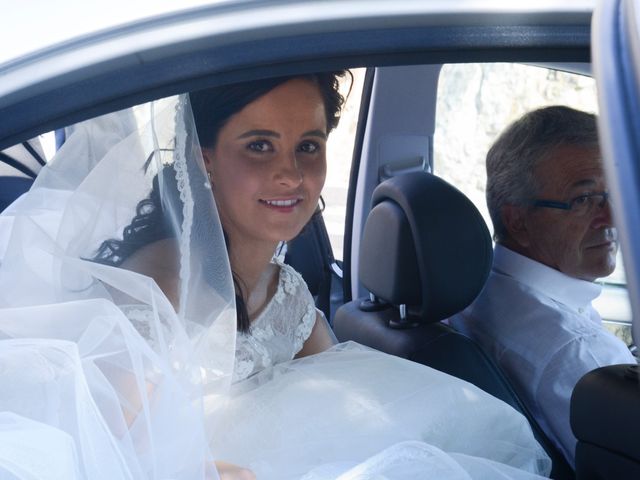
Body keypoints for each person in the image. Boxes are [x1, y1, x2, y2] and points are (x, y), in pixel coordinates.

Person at [0, 73, 551, 480]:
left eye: (307, 146)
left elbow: (355, 407)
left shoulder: (288, 297)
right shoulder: (160, 291)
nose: (291, 172)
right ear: (205, 157)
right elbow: (115, 456)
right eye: (259, 145)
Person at [450, 105, 637, 468]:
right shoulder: (584, 356)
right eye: (582, 200)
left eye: (614, 191)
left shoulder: (475, 292)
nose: (611, 217)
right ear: (517, 221)